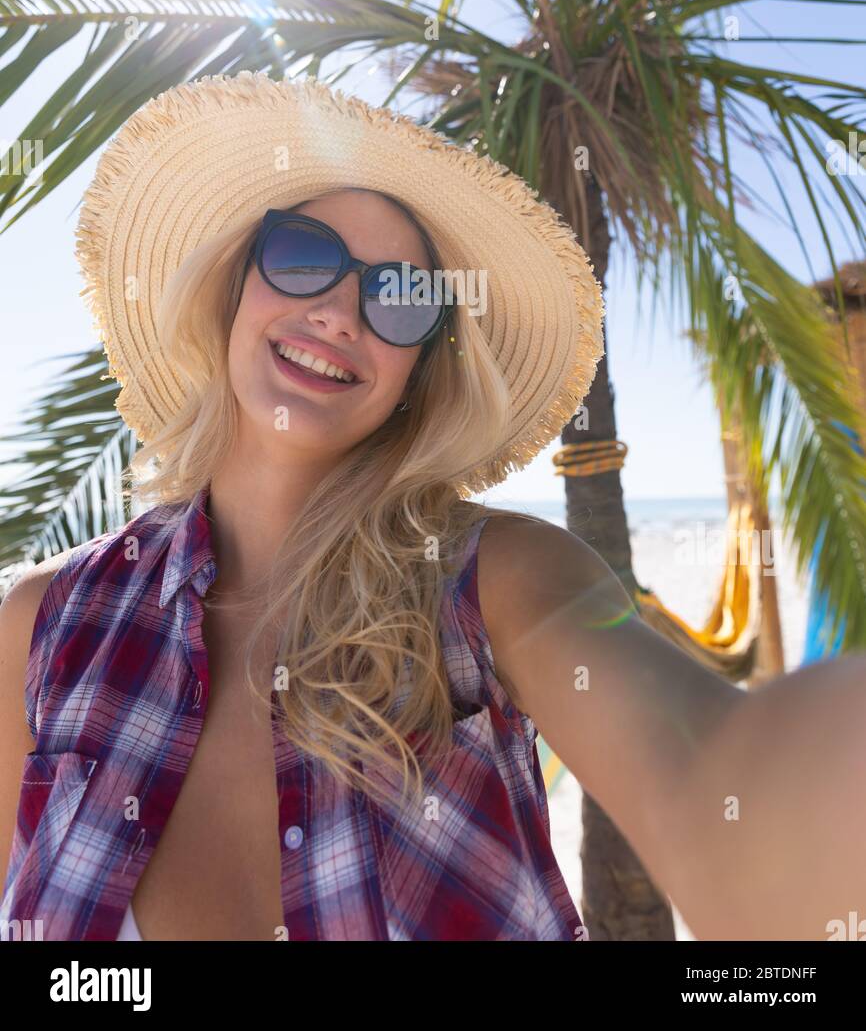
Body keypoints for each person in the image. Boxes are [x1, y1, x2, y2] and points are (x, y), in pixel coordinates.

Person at [0, 71, 864, 942]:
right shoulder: (44, 626)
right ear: (234, 284)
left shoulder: (498, 583)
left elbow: (718, 784)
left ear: (425, 370)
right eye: (303, 255)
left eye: (401, 296)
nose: (339, 311)